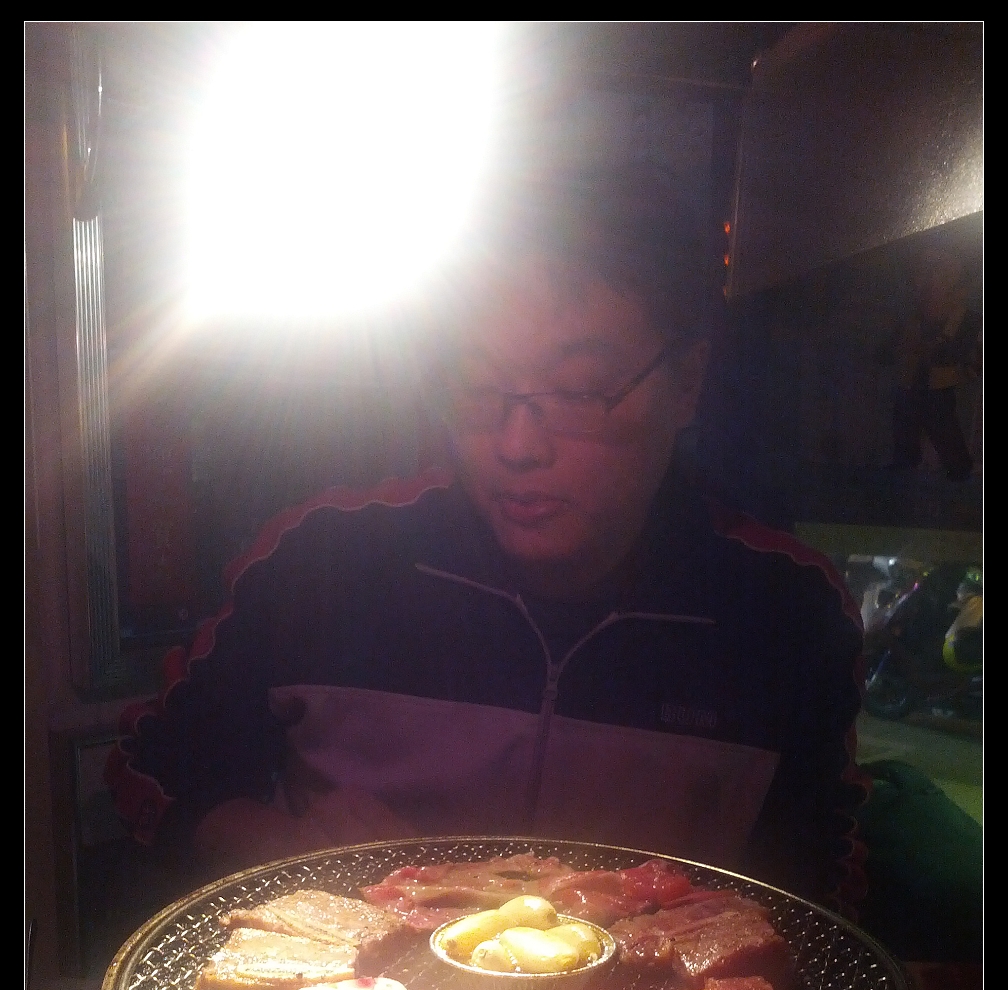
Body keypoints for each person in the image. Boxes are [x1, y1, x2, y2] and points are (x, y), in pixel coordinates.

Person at [107, 168, 867, 914]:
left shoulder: (781, 614)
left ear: (687, 382)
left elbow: (818, 890)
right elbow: (154, 770)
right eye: (477, 387)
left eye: (579, 390)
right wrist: (281, 843)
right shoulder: (322, 562)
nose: (516, 446)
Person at [887, 244, 982, 482]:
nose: (931, 278)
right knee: (905, 417)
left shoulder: (966, 317)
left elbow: (961, 350)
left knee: (942, 421)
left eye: (939, 268)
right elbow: (888, 349)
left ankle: (958, 468)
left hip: (947, 383)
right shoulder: (911, 314)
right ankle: (907, 463)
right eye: (925, 269)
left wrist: (936, 351)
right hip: (912, 380)